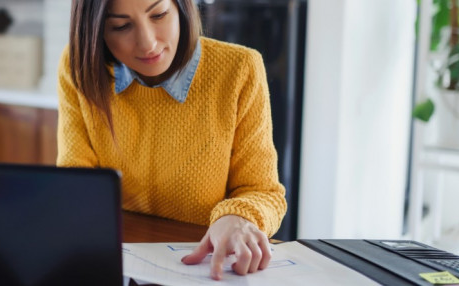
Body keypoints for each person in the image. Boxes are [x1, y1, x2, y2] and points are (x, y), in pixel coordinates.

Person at [57, 0, 287, 280]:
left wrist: (239, 216)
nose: (148, 43)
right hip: (116, 263)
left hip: (205, 269)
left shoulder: (240, 69)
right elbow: (75, 180)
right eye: (121, 26)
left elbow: (264, 192)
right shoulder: (79, 67)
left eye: (159, 14)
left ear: (182, 7)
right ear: (95, 31)